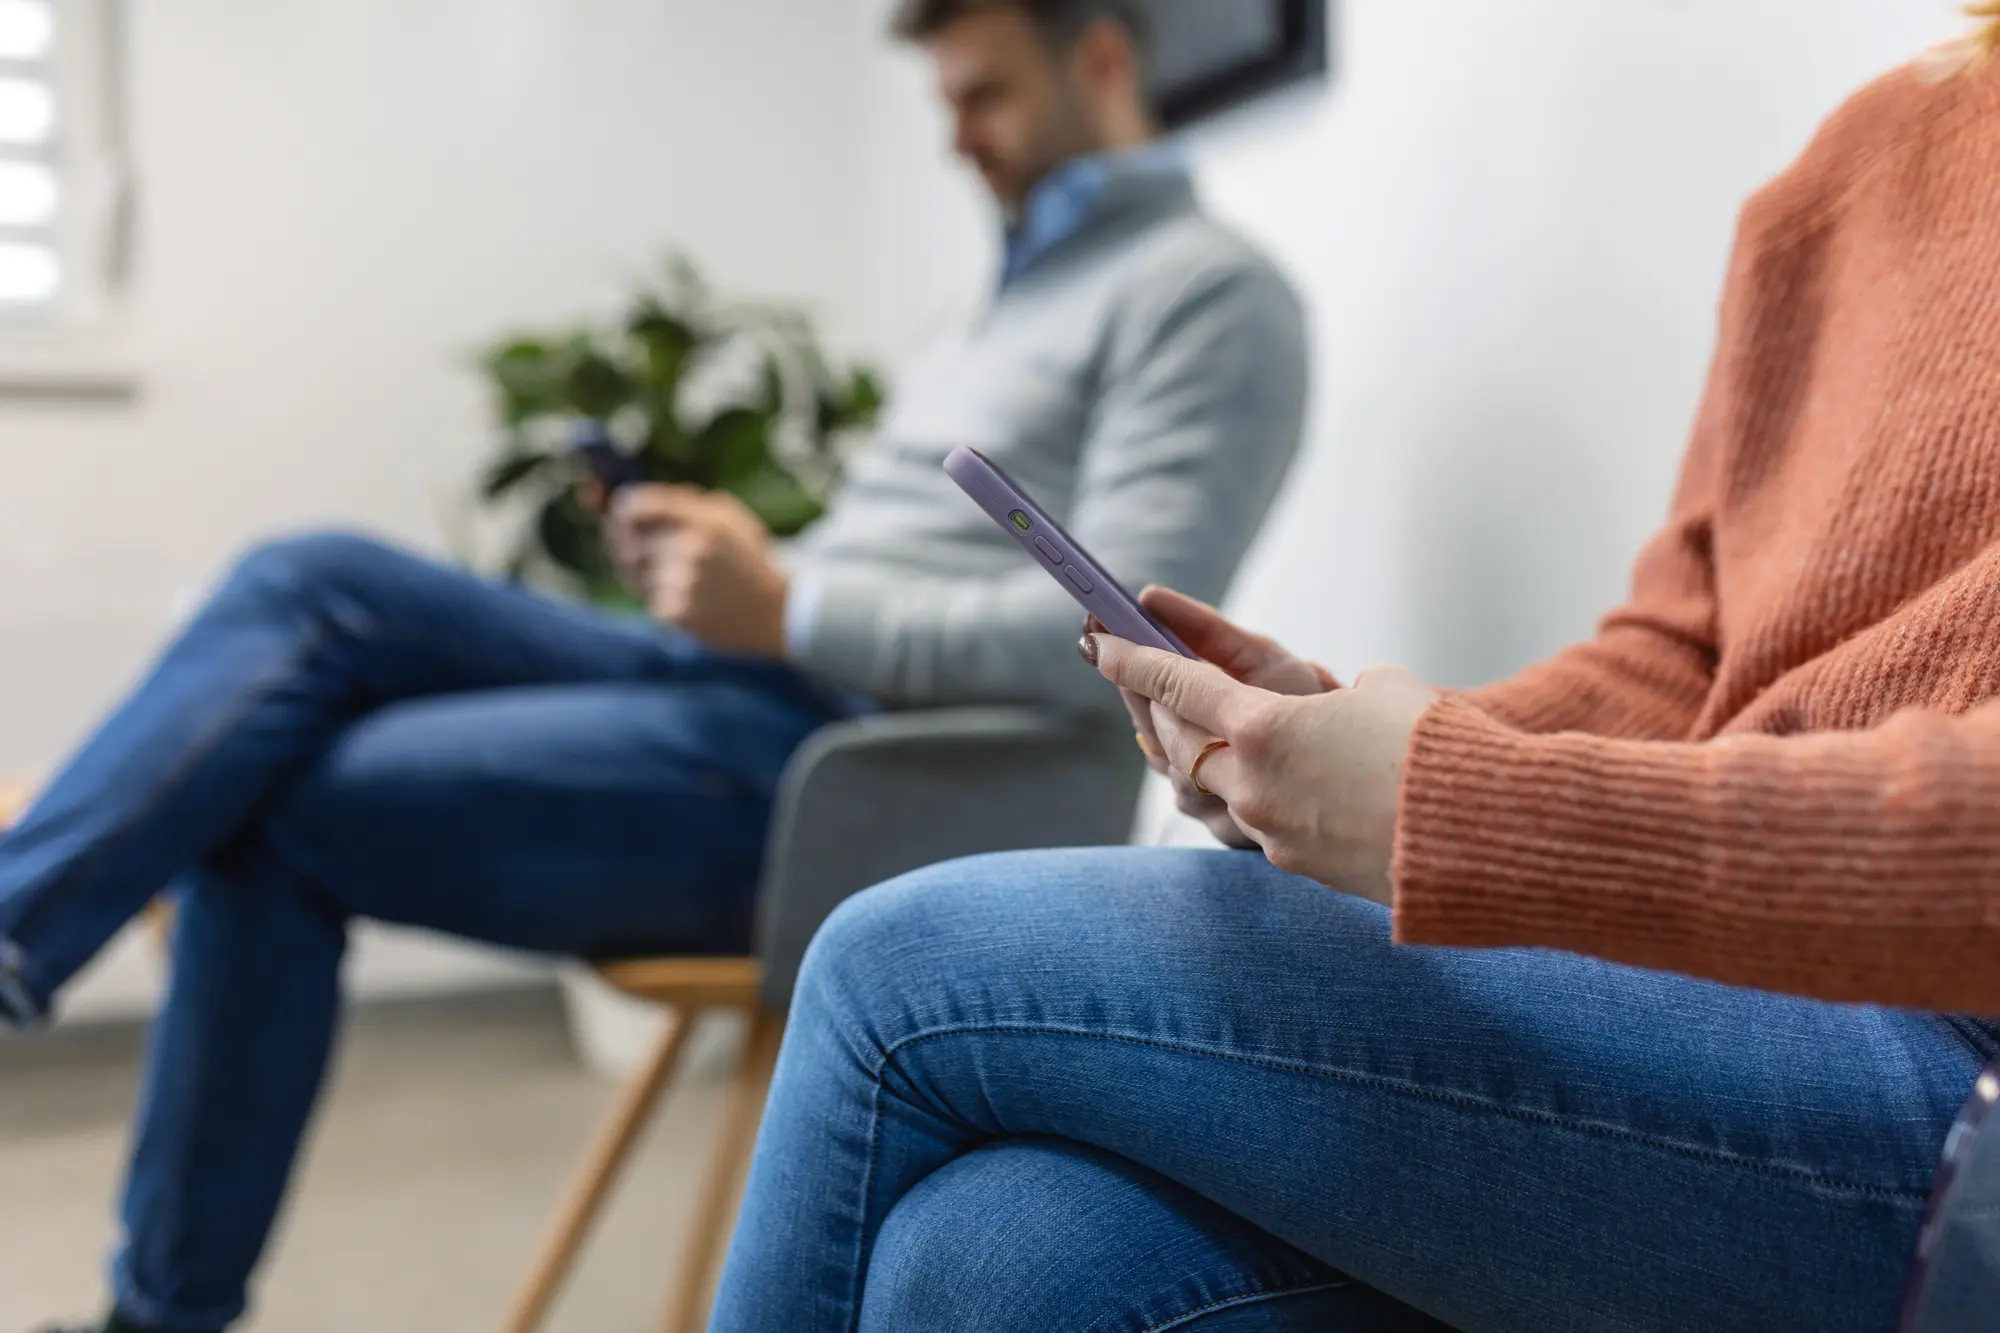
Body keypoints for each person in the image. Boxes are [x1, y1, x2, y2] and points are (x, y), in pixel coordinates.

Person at [0, 3, 1307, 1331]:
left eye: (986, 98)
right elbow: (887, 562)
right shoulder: (1000, 300)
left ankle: (151, 1315)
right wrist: (728, 565)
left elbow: (1115, 642)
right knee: (311, 580)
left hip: (853, 779)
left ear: (1098, 61)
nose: (958, 139)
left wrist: (789, 605)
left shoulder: (1207, 296)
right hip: (755, 686)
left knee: (264, 799)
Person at [708, 24, 2000, 1333]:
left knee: (901, 970)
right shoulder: (1860, 161)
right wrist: (1352, 745)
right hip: (1726, 975)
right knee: (995, 1258)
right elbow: (1686, 648)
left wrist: (1470, 812)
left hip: (1962, 1062)